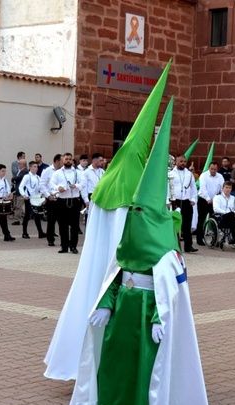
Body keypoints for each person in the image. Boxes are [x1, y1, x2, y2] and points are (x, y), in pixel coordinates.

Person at [69, 97, 214, 405]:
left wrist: (158, 317)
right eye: (131, 210)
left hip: (147, 314)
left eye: (138, 212)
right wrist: (106, 303)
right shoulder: (128, 243)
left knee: (145, 371)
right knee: (116, 366)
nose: (132, 216)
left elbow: (170, 291)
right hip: (123, 314)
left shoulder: (166, 252)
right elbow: (115, 275)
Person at [44, 61, 172, 383]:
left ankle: (77, 365)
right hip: (118, 272)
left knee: (85, 300)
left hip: (92, 266)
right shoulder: (134, 189)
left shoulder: (105, 183)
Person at [49, 152, 82, 253]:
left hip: (74, 200)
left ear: (72, 161)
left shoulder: (77, 172)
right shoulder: (57, 173)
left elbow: (83, 183)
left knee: (74, 225)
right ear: (63, 160)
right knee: (62, 225)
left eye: (69, 159)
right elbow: (51, 184)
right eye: (66, 159)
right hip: (62, 201)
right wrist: (58, 188)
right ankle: (64, 246)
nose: (68, 161)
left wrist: (76, 186)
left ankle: (73, 246)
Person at [169, 155, 198, 253]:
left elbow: (193, 187)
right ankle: (174, 245)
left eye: (184, 161)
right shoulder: (170, 173)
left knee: (187, 224)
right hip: (175, 201)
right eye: (181, 161)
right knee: (174, 223)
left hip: (186, 201)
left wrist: (193, 199)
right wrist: (168, 201)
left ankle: (188, 246)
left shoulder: (189, 174)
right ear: (176, 162)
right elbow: (168, 187)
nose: (183, 163)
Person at [213, 181, 235, 248]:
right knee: (231, 214)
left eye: (229, 188)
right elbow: (216, 209)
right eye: (226, 187)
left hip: (234, 217)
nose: (228, 189)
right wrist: (227, 213)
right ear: (222, 188)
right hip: (222, 217)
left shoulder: (233, 198)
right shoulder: (217, 197)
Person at [196, 161, 224, 246]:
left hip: (215, 201)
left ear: (217, 169)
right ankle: (199, 239)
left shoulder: (220, 176)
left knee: (215, 220)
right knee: (201, 219)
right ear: (209, 168)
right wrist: (208, 199)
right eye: (212, 169)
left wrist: (220, 198)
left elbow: (222, 188)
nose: (213, 171)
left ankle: (214, 239)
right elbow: (203, 189)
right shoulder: (203, 176)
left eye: (215, 169)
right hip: (204, 200)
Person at [19, 161, 46, 239]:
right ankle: (24, 233)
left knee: (37, 215)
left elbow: (41, 188)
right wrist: (24, 195)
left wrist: (43, 195)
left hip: (36, 199)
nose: (36, 168)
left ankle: (40, 233)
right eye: (34, 166)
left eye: (37, 167)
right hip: (28, 198)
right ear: (30, 167)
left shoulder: (38, 177)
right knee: (27, 216)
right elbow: (21, 187)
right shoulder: (27, 176)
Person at [40, 153, 62, 246]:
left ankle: (63, 240)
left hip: (61, 198)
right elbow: (42, 185)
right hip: (51, 198)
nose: (64, 162)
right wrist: (48, 196)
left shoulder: (62, 171)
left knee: (62, 221)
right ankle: (50, 239)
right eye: (62, 160)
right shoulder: (47, 171)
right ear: (57, 161)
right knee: (51, 220)